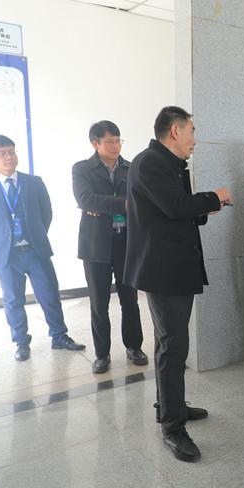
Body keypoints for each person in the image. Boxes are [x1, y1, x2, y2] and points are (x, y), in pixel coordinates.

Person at [124, 106, 232, 462]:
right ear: (175, 131)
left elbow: (174, 210)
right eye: (192, 131)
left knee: (169, 342)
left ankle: (168, 406)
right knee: (173, 346)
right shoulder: (151, 163)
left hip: (173, 267)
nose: (195, 139)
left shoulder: (169, 163)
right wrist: (214, 197)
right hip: (163, 271)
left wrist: (203, 208)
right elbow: (173, 206)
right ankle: (173, 428)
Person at [0, 135, 85, 361]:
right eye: (2, 153)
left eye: (12, 151)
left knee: (49, 294)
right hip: (8, 255)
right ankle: (21, 341)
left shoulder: (34, 182)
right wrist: (0, 241)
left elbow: (46, 213)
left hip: (36, 250)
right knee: (13, 300)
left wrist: (36, 235)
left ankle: (59, 336)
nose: (9, 157)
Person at [72, 120, 147, 374]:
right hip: (96, 245)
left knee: (130, 300)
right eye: (110, 142)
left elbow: (140, 199)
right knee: (99, 302)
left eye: (118, 141)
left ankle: (134, 347)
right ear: (95, 143)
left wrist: (102, 205)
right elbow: (86, 199)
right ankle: (102, 354)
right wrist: (124, 204)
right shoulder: (82, 169)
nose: (116, 146)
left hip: (127, 243)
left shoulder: (130, 167)